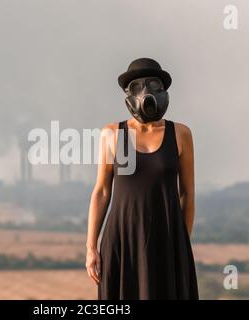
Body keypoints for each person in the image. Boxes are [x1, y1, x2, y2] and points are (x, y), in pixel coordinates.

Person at [85, 58, 199, 299]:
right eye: (138, 86)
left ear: (163, 90)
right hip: (122, 239)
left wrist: (181, 242)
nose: (146, 92)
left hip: (167, 239)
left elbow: (187, 193)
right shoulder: (113, 134)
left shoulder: (180, 134)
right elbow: (102, 191)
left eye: (153, 85)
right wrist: (91, 248)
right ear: (129, 93)